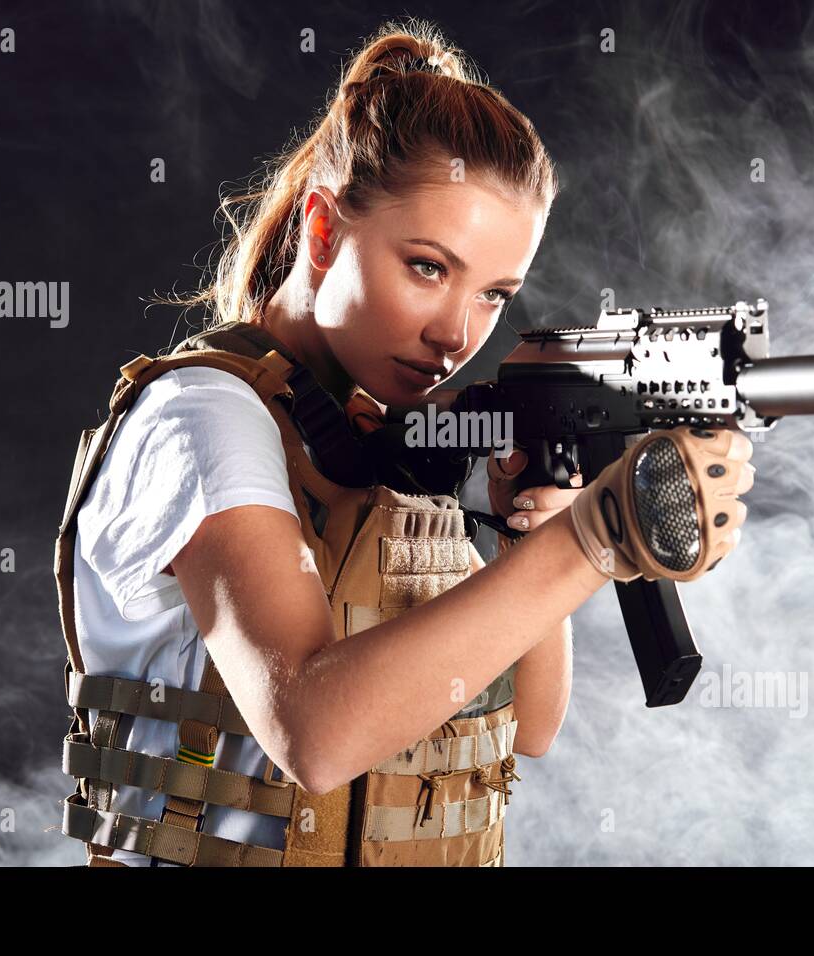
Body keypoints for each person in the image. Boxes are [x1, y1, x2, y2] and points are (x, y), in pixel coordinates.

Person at [57, 18, 754, 868]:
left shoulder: (382, 437)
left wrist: (539, 528)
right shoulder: (206, 418)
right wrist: (592, 542)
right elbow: (312, 732)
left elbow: (528, 726)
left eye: (496, 294)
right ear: (322, 233)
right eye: (428, 267)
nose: (457, 334)